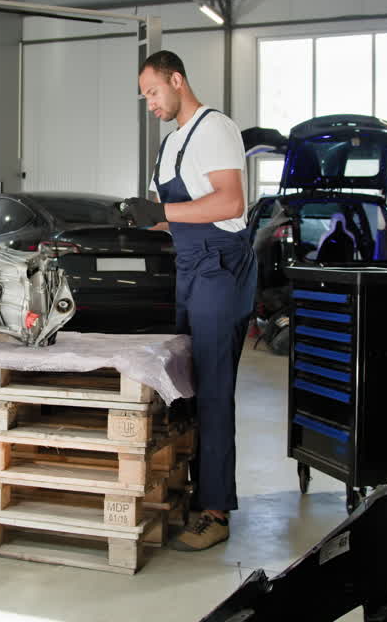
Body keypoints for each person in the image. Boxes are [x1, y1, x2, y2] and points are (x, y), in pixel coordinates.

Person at [121, 51, 257, 552]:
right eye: (146, 97)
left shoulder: (214, 129)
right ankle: (188, 490)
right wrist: (146, 222)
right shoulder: (172, 142)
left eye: (154, 92)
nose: (151, 104)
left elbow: (229, 202)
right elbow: (180, 214)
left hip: (221, 268)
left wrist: (164, 209)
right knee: (185, 385)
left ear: (176, 79)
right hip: (189, 267)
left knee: (216, 387)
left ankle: (216, 511)